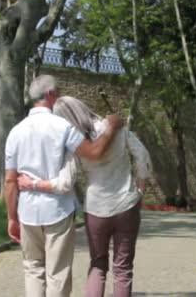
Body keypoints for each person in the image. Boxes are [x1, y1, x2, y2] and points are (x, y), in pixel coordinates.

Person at [18, 96, 153, 297]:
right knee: (123, 268)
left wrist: (34, 183)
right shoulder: (114, 127)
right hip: (126, 204)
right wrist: (140, 187)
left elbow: (64, 183)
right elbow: (142, 154)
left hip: (96, 209)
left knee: (98, 265)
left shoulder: (75, 143)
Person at [4, 75, 123, 297]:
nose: (58, 96)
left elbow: (10, 181)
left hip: (27, 211)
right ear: (50, 94)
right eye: (57, 92)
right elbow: (94, 153)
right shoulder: (62, 127)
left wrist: (12, 217)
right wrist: (111, 129)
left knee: (32, 268)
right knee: (57, 272)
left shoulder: (15, 132)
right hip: (58, 210)